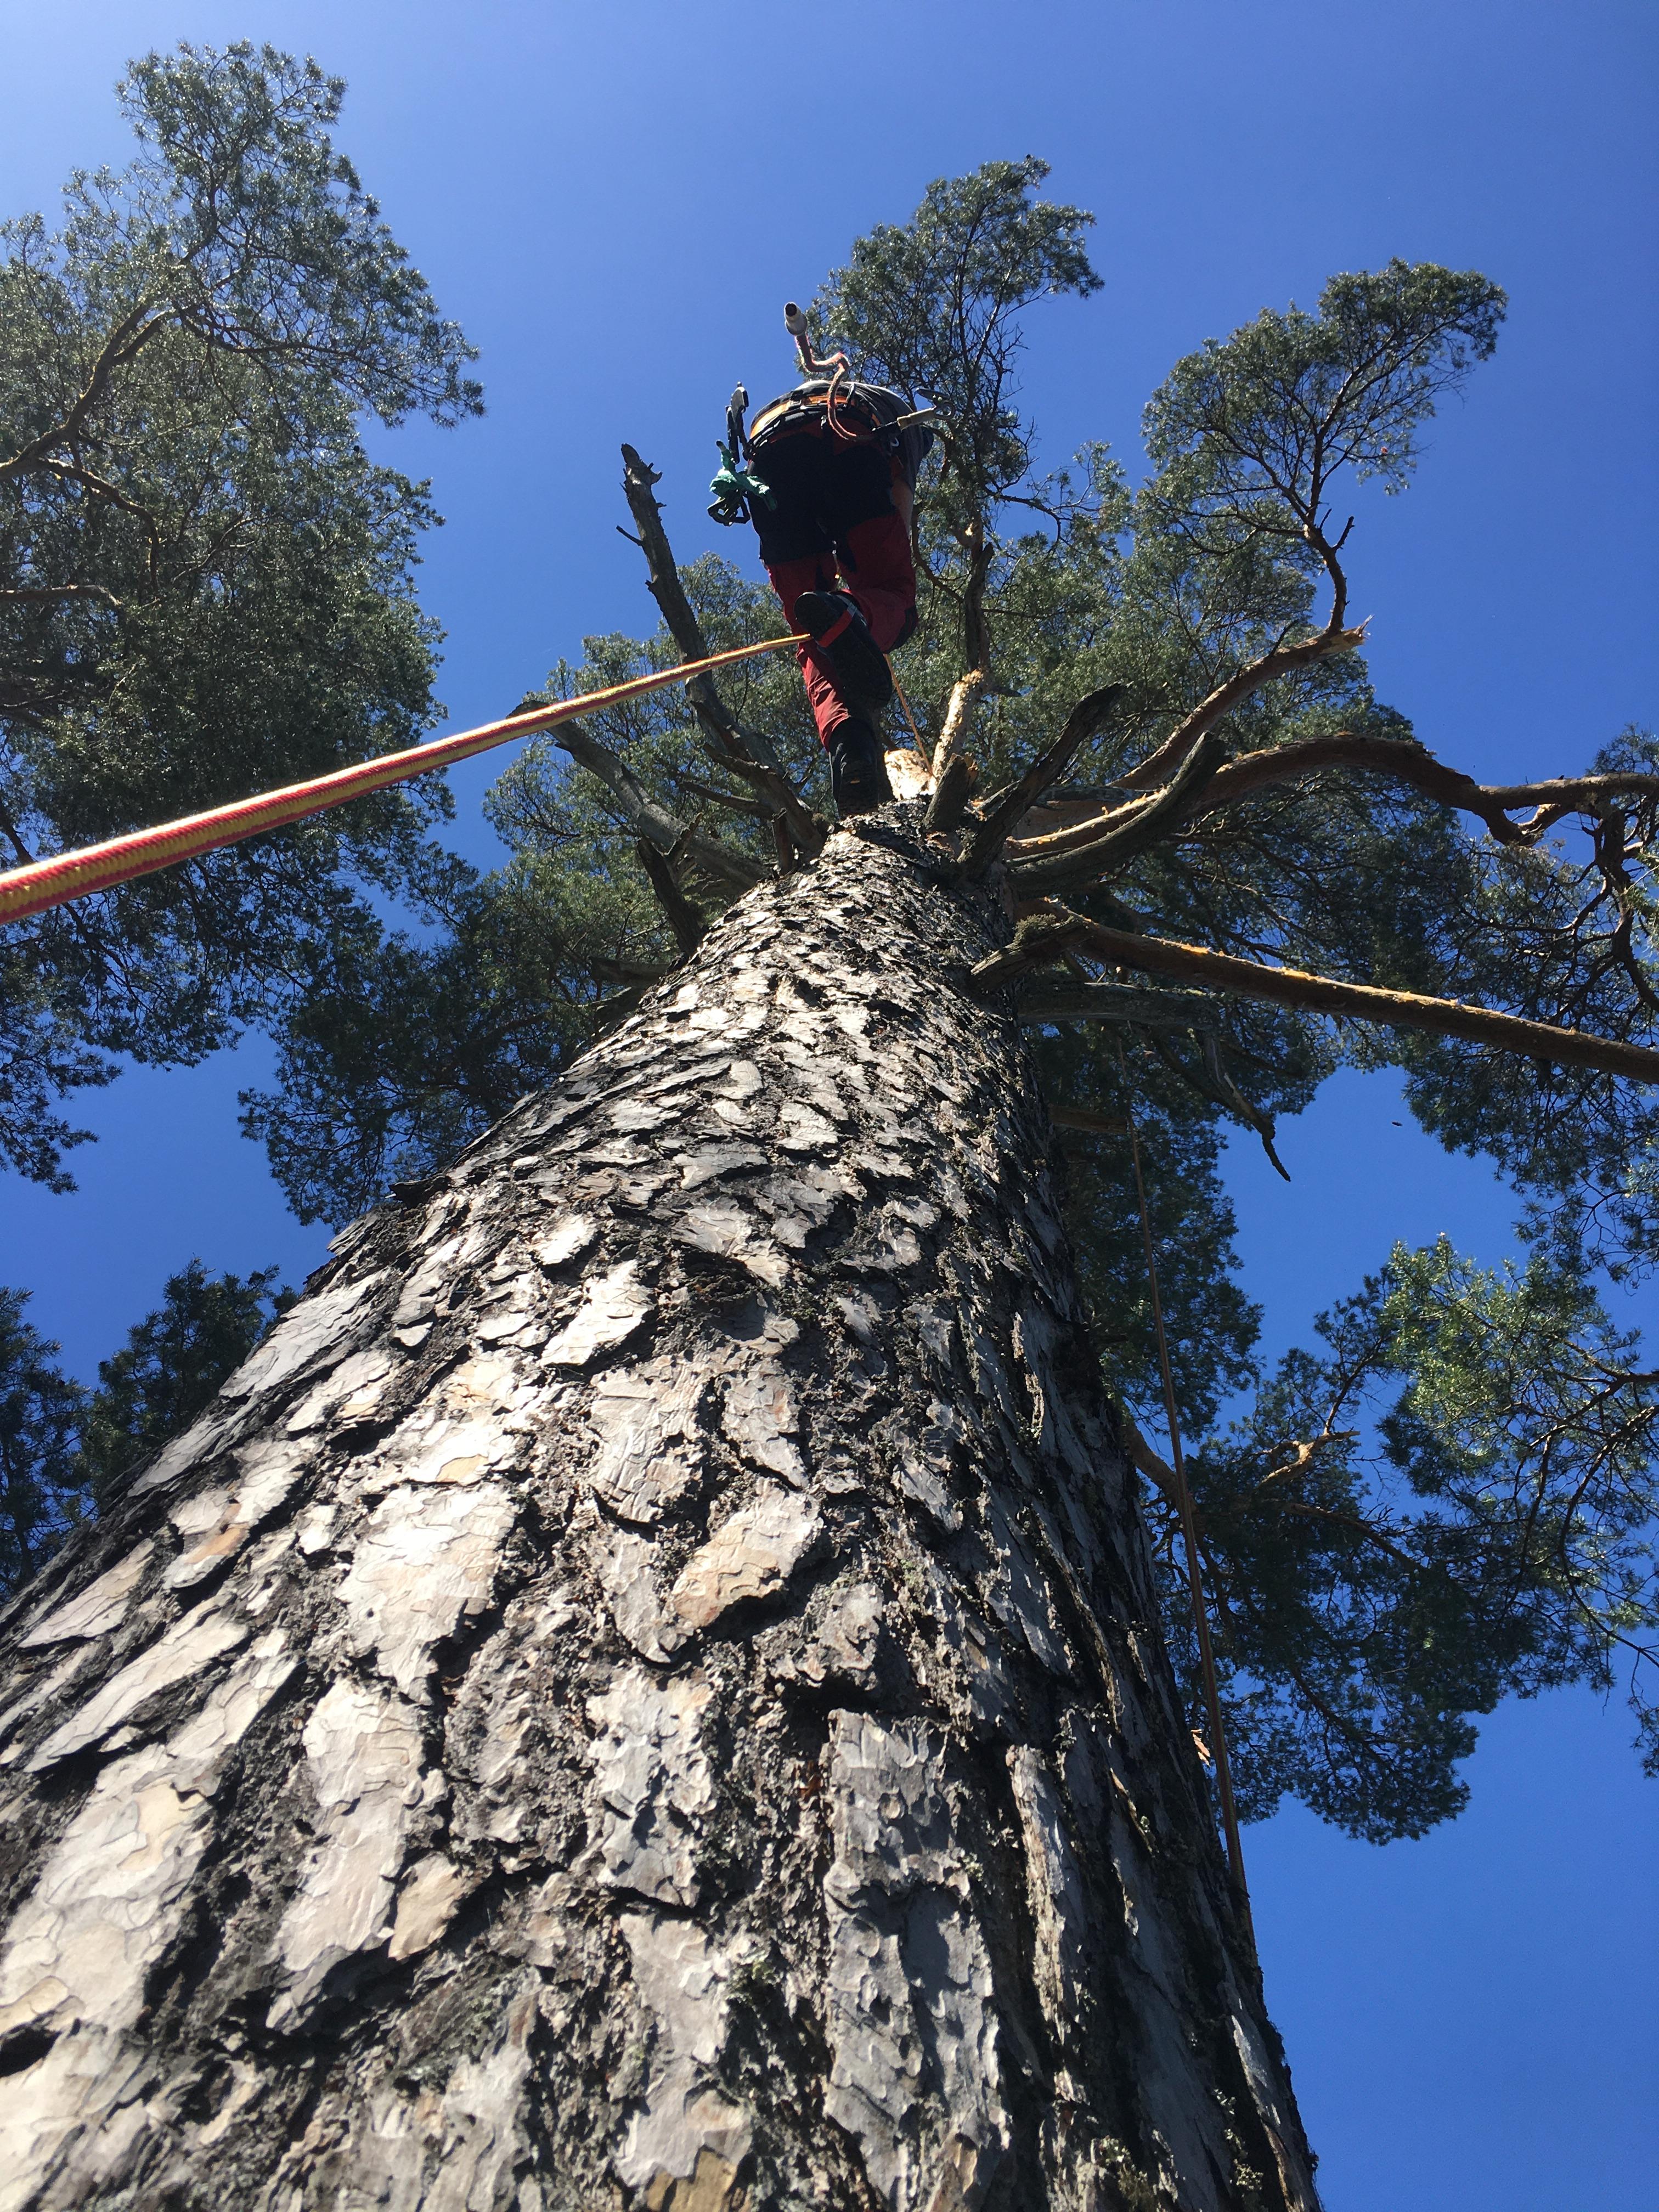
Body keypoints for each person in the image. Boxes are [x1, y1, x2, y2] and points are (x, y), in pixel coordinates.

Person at [711, 310, 934, 815]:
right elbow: (894, 521)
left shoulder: (815, 400)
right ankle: (854, 618)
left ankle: (849, 749)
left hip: (771, 461)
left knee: (814, 627)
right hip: (849, 446)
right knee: (893, 595)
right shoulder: (897, 422)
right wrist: (863, 597)